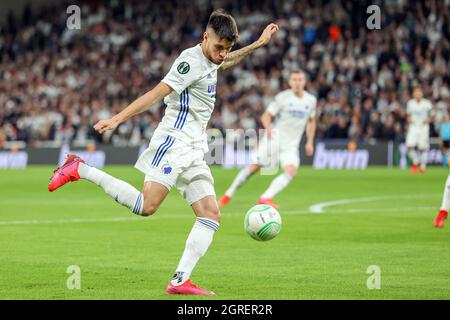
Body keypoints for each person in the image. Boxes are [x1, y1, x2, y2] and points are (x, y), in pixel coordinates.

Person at [48, 9, 279, 295]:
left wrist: (257, 44)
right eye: (219, 47)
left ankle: (180, 280)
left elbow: (224, 62)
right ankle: (79, 168)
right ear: (206, 37)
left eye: (227, 48)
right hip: (174, 141)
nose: (222, 54)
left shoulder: (214, 57)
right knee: (147, 206)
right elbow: (156, 94)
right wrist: (117, 119)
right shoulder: (188, 62)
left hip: (195, 147)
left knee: (210, 214)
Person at [218, 70, 316, 209]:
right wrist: (268, 128)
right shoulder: (283, 97)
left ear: (304, 82)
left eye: (300, 79)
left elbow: (312, 121)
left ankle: (265, 197)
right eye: (294, 79)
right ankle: (228, 194)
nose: (297, 83)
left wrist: (310, 141)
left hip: (291, 145)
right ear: (289, 82)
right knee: (253, 168)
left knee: (292, 170)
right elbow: (266, 116)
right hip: (274, 139)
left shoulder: (311, 101)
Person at [406, 85, 433, 174]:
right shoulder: (410, 103)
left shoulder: (427, 103)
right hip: (413, 127)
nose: (417, 94)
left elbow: (433, 116)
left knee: (422, 147)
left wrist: (428, 120)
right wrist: (409, 119)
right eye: (415, 92)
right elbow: (408, 115)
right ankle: (415, 162)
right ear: (413, 94)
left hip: (423, 127)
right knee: (409, 146)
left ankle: (423, 167)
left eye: (419, 92)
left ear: (421, 93)